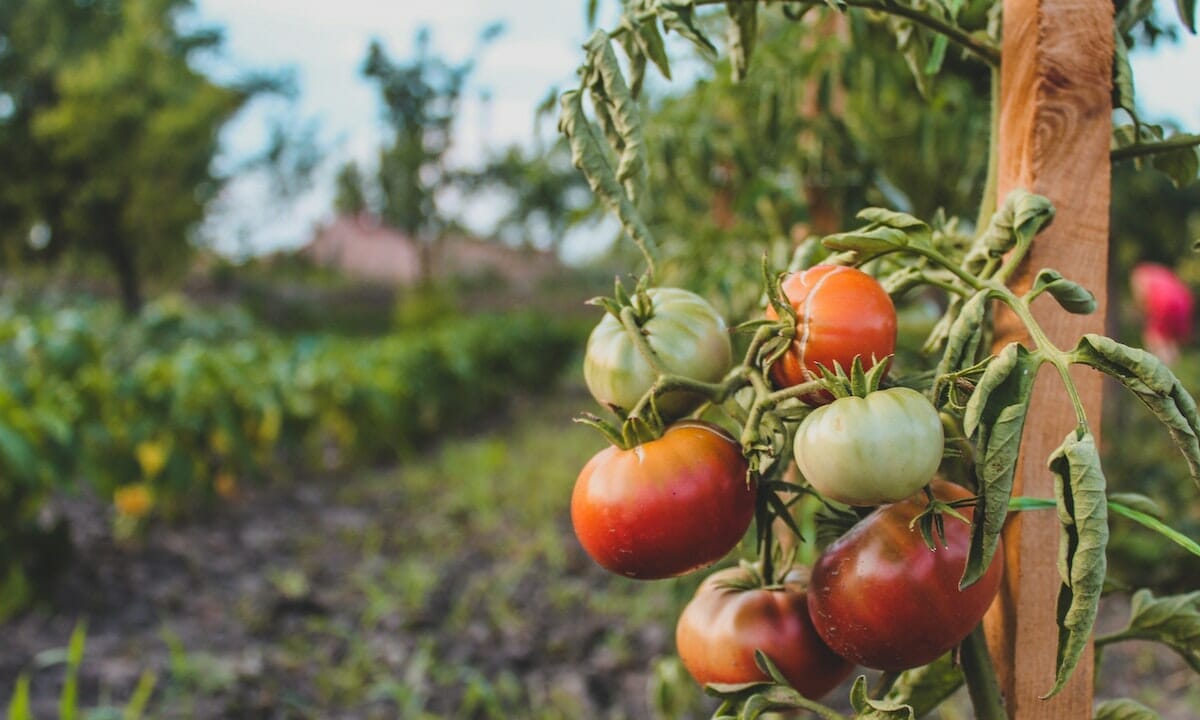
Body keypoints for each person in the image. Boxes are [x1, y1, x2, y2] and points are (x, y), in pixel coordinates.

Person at [1131, 262, 1194, 364]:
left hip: (1164, 305)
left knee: (1154, 338)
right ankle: (1171, 369)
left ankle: (1157, 367)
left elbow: (1142, 297)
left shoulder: (1140, 274)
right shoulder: (1161, 274)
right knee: (1169, 342)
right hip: (1182, 304)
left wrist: (1142, 312)